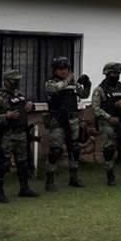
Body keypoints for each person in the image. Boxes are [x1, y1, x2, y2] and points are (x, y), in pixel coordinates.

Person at [0, 69, 39, 202]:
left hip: (21, 133)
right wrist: (6, 116)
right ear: (6, 81)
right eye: (14, 80)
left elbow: (26, 107)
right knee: (3, 164)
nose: (16, 82)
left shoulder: (19, 95)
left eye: (18, 80)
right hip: (6, 135)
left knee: (22, 163)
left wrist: (30, 106)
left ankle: (24, 188)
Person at [44, 57, 91, 191]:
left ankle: (74, 177)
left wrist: (87, 83)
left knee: (74, 149)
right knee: (56, 150)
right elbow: (54, 90)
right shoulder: (50, 83)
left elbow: (84, 95)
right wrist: (67, 80)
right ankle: (50, 180)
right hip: (58, 120)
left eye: (66, 69)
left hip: (72, 119)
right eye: (61, 69)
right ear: (55, 70)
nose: (64, 71)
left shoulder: (72, 83)